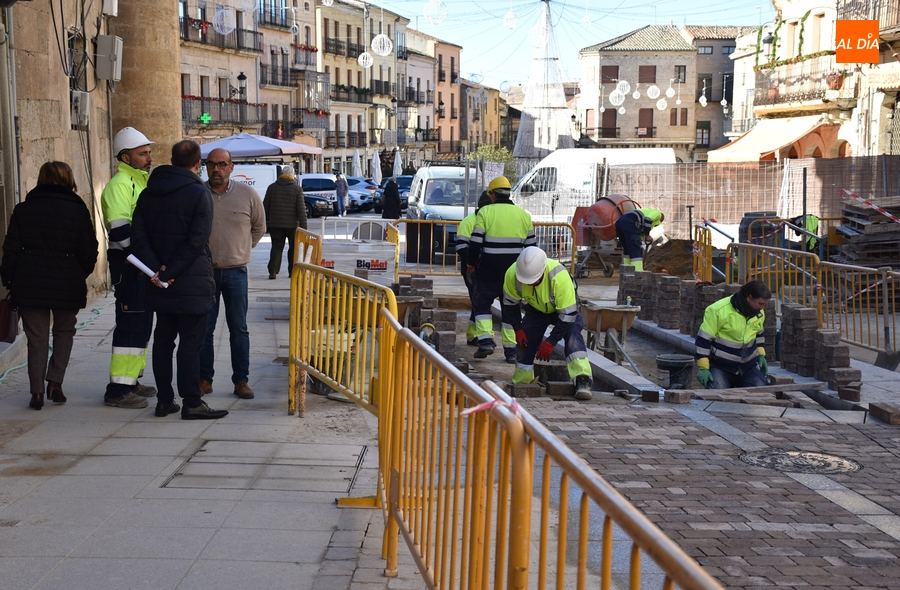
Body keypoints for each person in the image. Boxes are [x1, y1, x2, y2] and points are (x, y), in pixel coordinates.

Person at [131, 140, 228, 420]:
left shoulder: (148, 194)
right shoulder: (199, 194)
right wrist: (170, 271)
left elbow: (139, 237)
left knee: (163, 341)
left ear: (172, 161)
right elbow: (197, 240)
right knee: (190, 344)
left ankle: (164, 400)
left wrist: (157, 271)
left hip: (159, 282)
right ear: (198, 164)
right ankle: (191, 402)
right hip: (190, 281)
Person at [0, 162, 98, 410]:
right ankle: (55, 382)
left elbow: (11, 248)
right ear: (69, 179)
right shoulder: (78, 210)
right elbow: (89, 250)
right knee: (64, 332)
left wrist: (9, 280)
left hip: (29, 281)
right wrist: (78, 273)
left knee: (36, 337)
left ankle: (37, 393)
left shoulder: (24, 209)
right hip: (67, 282)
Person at [200, 148, 266, 400]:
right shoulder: (199, 193)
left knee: (239, 329)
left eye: (221, 164)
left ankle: (241, 381)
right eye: (211, 164)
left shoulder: (247, 194)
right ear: (206, 167)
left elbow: (259, 227)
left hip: (236, 272)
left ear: (231, 167)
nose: (216, 169)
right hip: (205, 273)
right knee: (204, 329)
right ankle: (204, 379)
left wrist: (242, 249)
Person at [101, 127, 158, 409]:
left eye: (149, 152)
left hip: (139, 266)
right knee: (131, 326)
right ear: (126, 157)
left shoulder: (139, 182)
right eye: (143, 153)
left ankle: (131, 381)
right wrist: (143, 260)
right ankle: (118, 390)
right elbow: (120, 231)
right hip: (130, 266)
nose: (149, 157)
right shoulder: (120, 185)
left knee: (142, 325)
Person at [502, 247, 593, 400]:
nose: (530, 284)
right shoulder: (513, 274)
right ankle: (522, 382)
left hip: (564, 310)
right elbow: (510, 305)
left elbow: (568, 315)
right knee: (526, 340)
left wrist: (551, 341)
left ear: (543, 271)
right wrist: (518, 329)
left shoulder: (558, 276)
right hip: (536, 309)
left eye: (534, 281)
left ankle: (582, 379)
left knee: (573, 336)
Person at [467, 176, 536, 361]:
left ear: (493, 195)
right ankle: (511, 351)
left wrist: (471, 264)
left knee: (482, 304)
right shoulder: (524, 215)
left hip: (488, 270)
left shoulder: (485, 212)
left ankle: (485, 342)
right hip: (514, 273)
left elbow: (475, 243)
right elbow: (532, 249)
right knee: (510, 309)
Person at [695, 280, 771, 390]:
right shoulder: (717, 310)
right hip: (721, 367)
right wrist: (703, 368)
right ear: (749, 297)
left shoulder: (758, 312)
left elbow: (759, 334)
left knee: (763, 392)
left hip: (747, 367)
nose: (762, 308)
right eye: (760, 303)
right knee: (717, 394)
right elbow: (703, 340)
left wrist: (761, 355)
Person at [454, 191, 492, 348]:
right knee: (479, 302)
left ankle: (473, 335)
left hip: (486, 268)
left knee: (479, 302)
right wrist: (473, 261)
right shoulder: (469, 222)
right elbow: (461, 247)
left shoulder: (489, 220)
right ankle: (484, 336)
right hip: (472, 269)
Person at [263, 165, 307, 280]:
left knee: (276, 247)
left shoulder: (272, 187)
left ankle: (273, 271)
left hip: (275, 224)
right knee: (293, 248)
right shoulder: (297, 189)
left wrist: (265, 222)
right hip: (293, 225)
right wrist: (304, 228)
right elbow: (301, 210)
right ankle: (292, 271)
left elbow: (265, 207)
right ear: (293, 176)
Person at [613, 207, 665, 272]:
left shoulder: (645, 214)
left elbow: (640, 237)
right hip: (630, 222)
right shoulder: (658, 214)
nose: (655, 226)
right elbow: (648, 219)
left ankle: (627, 271)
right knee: (635, 250)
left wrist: (644, 239)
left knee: (627, 249)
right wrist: (647, 235)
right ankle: (638, 272)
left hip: (619, 223)